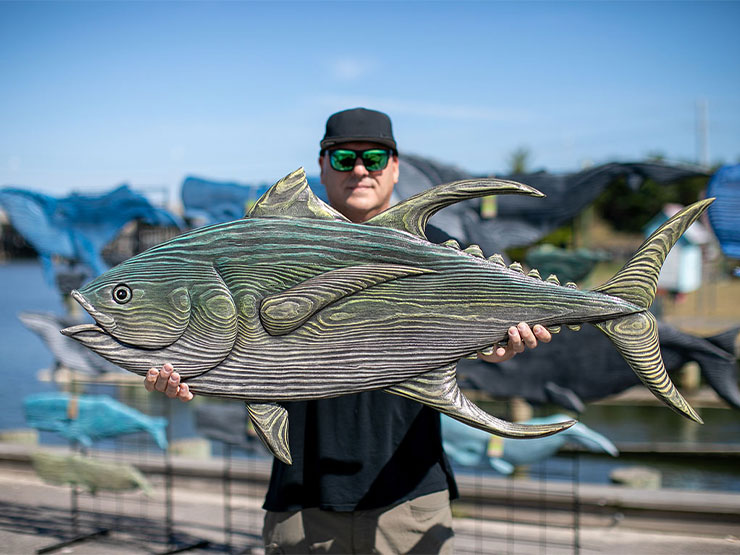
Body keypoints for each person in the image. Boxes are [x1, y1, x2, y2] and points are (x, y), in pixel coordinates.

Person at [145, 108, 551, 553]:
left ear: (394, 167)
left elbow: (470, 341)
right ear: (322, 166)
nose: (359, 169)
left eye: (374, 158)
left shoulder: (438, 253)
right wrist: (191, 372)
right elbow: (237, 347)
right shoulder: (276, 251)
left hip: (409, 500)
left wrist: (491, 347)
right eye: (343, 158)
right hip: (301, 504)